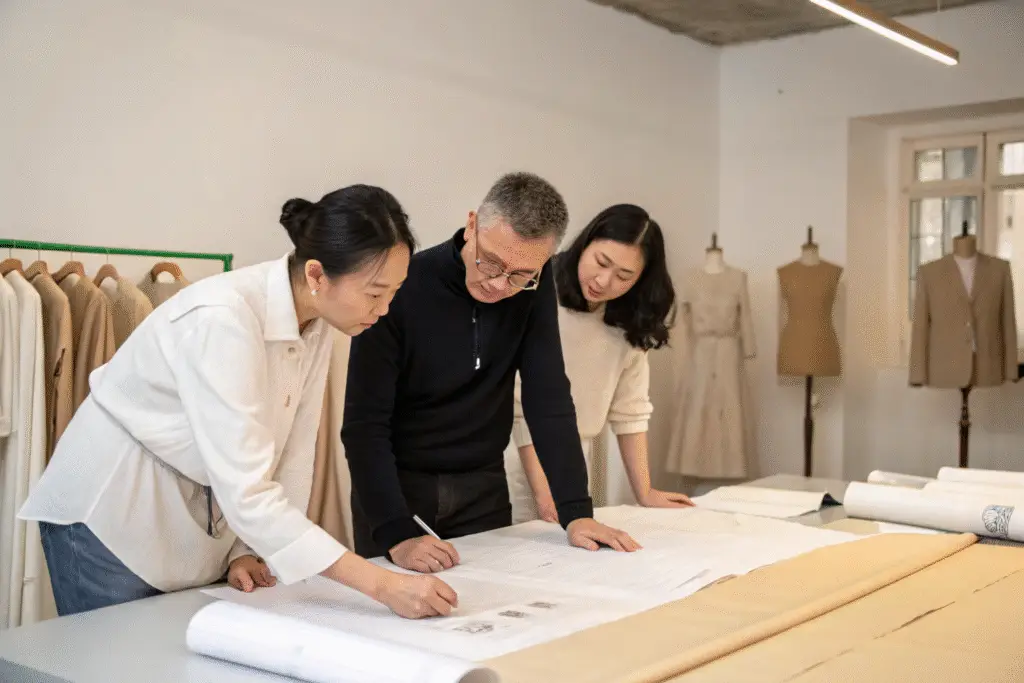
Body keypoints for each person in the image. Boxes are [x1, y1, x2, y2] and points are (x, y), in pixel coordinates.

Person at [19, 185, 458, 619]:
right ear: (316, 276)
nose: (384, 309)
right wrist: (382, 585)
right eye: (375, 293)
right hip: (109, 516)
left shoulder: (319, 320)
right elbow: (248, 491)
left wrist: (248, 550)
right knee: (122, 656)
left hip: (184, 521)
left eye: (394, 293)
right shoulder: (223, 318)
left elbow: (293, 455)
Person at [342, 172, 640, 574]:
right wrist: (396, 532)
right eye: (492, 262)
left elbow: (548, 396)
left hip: (483, 487)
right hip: (399, 489)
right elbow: (364, 424)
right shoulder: (404, 285)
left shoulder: (533, 285)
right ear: (472, 226)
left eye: (520, 275)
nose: (500, 285)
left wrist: (576, 511)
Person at [509, 204, 693, 523]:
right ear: (586, 243)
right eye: (601, 262)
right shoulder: (536, 290)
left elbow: (630, 409)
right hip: (513, 455)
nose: (604, 281)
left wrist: (645, 492)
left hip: (574, 458)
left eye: (624, 276)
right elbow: (519, 406)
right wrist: (546, 493)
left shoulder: (627, 322)